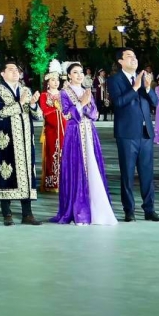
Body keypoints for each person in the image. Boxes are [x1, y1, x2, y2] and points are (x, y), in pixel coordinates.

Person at [52, 63, 115, 225]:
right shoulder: (64, 93)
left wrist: (86, 104)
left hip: (89, 132)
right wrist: (81, 104)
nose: (79, 75)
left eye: (81, 72)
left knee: (92, 166)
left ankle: (97, 208)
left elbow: (94, 114)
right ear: (69, 75)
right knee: (77, 167)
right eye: (75, 72)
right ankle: (79, 210)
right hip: (74, 133)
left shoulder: (87, 91)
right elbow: (66, 115)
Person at [106, 49, 159, 222]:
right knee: (127, 174)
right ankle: (129, 210)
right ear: (120, 61)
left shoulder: (143, 78)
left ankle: (149, 209)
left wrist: (148, 88)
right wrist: (135, 87)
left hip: (145, 133)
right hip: (127, 134)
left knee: (147, 173)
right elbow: (119, 102)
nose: (134, 59)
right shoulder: (114, 80)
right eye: (129, 56)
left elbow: (155, 102)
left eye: (135, 56)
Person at [0, 61, 40, 226]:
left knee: (27, 172)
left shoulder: (26, 90)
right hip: (7, 138)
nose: (15, 72)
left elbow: (38, 115)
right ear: (3, 74)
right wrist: (20, 103)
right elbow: (1, 112)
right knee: (7, 170)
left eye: (17, 70)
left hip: (26, 139)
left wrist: (33, 104)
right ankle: (7, 213)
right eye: (11, 70)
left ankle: (27, 213)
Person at [38, 73, 65, 191]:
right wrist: (57, 110)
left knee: (65, 152)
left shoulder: (63, 94)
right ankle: (52, 182)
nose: (56, 82)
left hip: (64, 128)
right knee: (52, 152)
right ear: (48, 82)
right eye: (53, 80)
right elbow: (45, 111)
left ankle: (65, 181)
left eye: (57, 80)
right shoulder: (44, 95)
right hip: (51, 129)